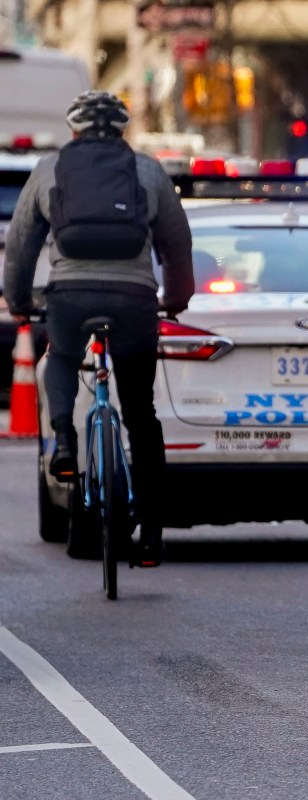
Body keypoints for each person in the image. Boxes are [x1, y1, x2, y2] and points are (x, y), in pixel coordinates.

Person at [3, 90, 194, 567]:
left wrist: (20, 302)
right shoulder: (147, 170)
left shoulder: (49, 169)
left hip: (70, 296)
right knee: (141, 415)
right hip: (133, 302)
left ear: (74, 130)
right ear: (123, 130)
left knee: (63, 356)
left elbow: (22, 245)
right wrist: (175, 298)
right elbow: (177, 242)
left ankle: (64, 439)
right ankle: (150, 535)